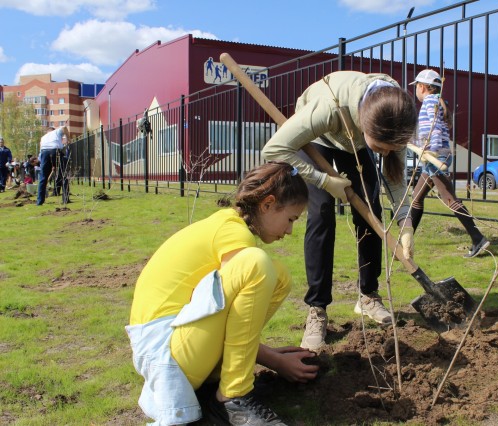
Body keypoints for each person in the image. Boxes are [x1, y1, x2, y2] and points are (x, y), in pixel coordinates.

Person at [126, 161, 319, 426]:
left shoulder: (228, 226)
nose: (289, 231)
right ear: (267, 204)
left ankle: (216, 385)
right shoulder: (233, 232)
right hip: (165, 352)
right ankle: (233, 396)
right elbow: (226, 313)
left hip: (176, 343)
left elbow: (228, 314)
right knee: (257, 264)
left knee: (278, 275)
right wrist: (274, 360)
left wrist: (267, 355)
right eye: (290, 219)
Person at [262, 70, 417, 350]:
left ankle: (368, 296)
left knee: (370, 210)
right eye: (379, 148)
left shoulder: (397, 114)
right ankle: (317, 310)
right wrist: (324, 180)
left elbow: (395, 178)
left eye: (388, 149)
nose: (383, 154)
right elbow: (273, 149)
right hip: (320, 138)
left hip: (354, 140)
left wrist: (405, 221)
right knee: (321, 214)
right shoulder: (329, 109)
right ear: (364, 126)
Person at [407, 69, 490, 258]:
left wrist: (431, 151)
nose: (416, 92)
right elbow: (430, 130)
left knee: (449, 199)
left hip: (436, 157)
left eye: (416, 88)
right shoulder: (438, 102)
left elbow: (434, 129)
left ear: (422, 87)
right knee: (417, 198)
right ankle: (406, 241)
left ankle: (478, 238)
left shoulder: (430, 102)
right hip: (435, 157)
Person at [37, 123, 70, 205]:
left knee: (43, 177)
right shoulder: (56, 132)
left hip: (44, 153)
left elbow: (41, 151)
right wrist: (68, 138)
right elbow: (64, 127)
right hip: (55, 151)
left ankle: (39, 201)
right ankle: (65, 199)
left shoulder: (43, 137)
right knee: (63, 175)